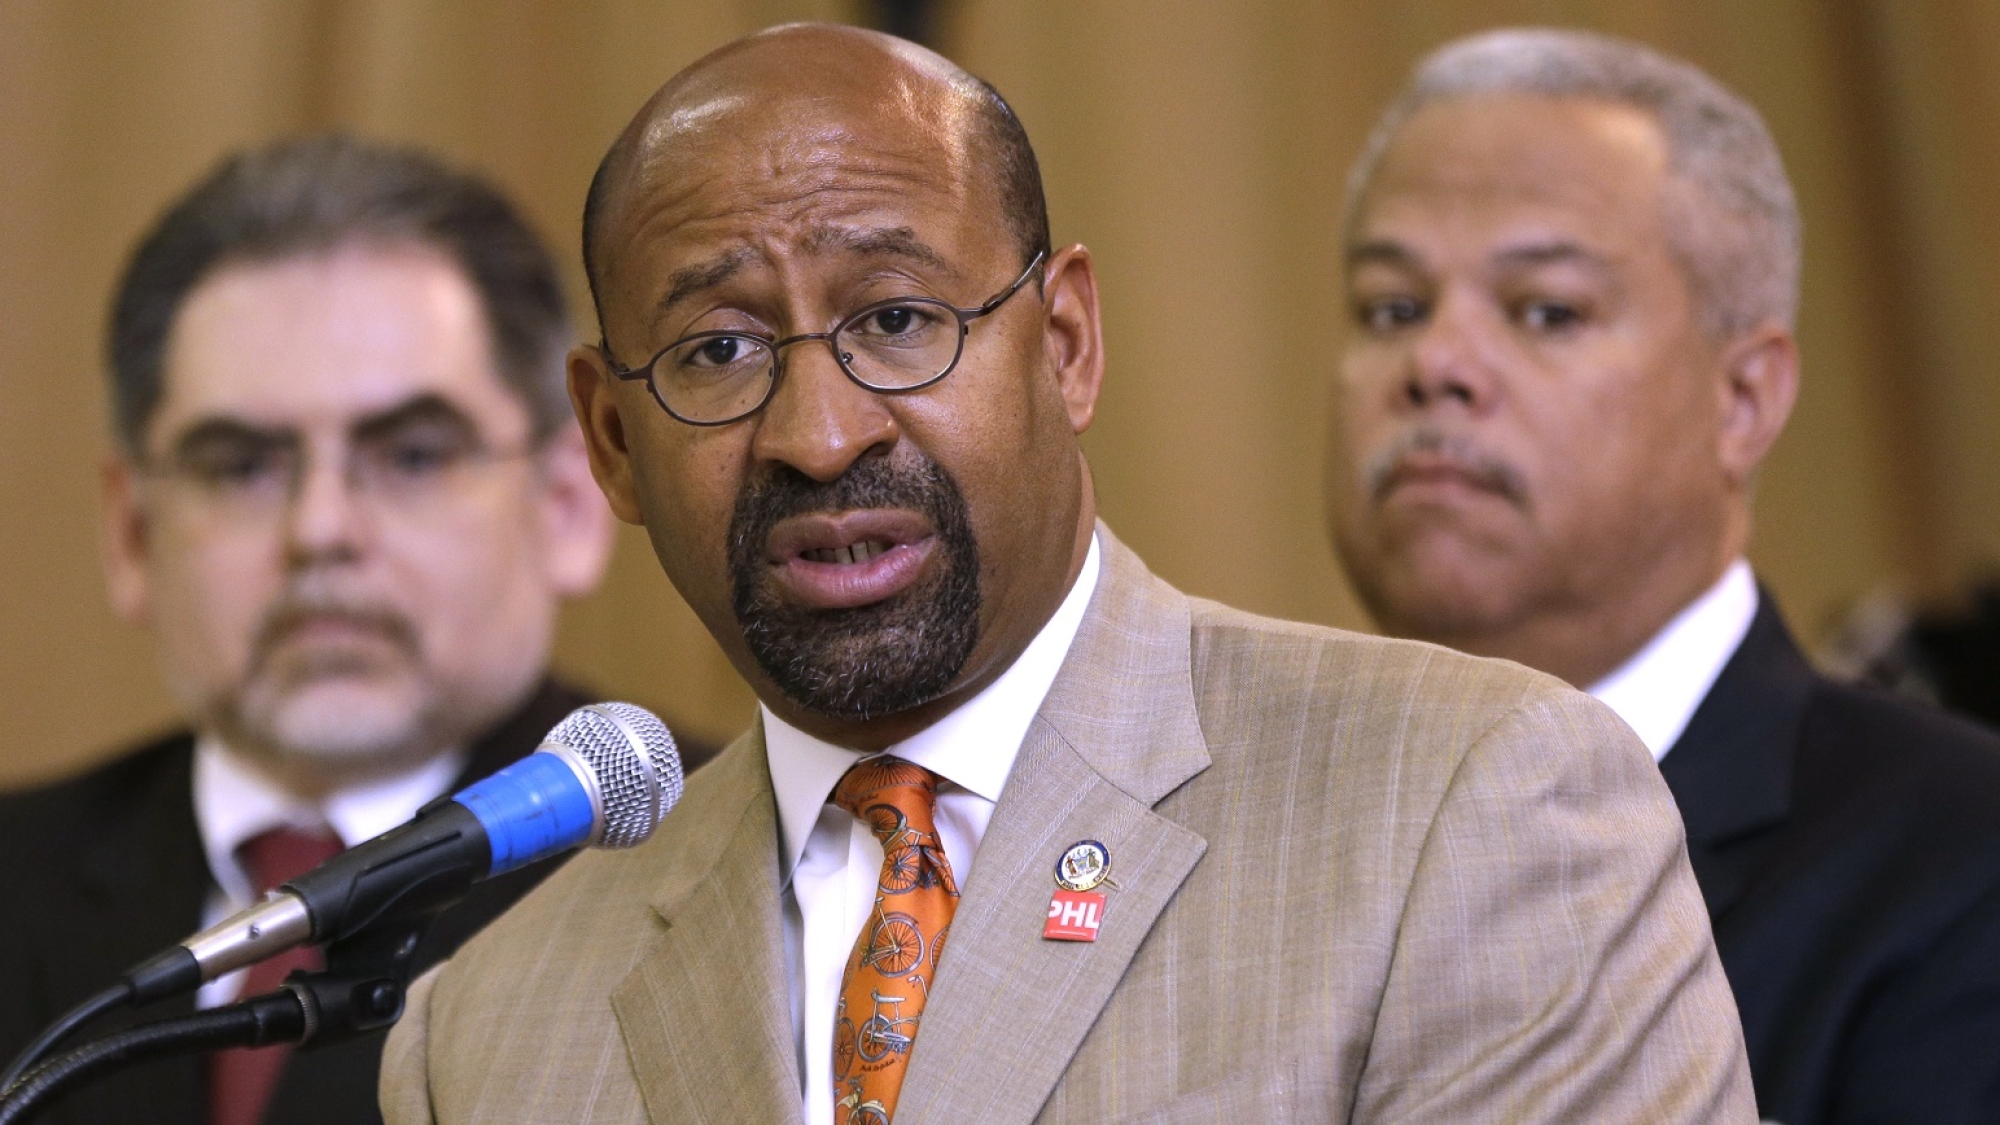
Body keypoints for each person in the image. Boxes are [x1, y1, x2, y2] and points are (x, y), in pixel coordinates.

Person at [381, 24, 1754, 1123]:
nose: (819, 434)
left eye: (900, 318)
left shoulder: (1471, 809)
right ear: (613, 443)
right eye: (719, 353)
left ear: (1068, 343)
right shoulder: (483, 1029)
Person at [1326, 28, 2000, 1125]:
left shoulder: (1960, 866)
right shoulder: (1238, 839)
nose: (1434, 364)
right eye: (1390, 307)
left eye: (1544, 310)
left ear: (1741, 403)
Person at [0, 136, 655, 1125]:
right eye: (242, 466)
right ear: (131, 535)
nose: (321, 533)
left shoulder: (727, 883)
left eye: (412, 456)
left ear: (566, 505)